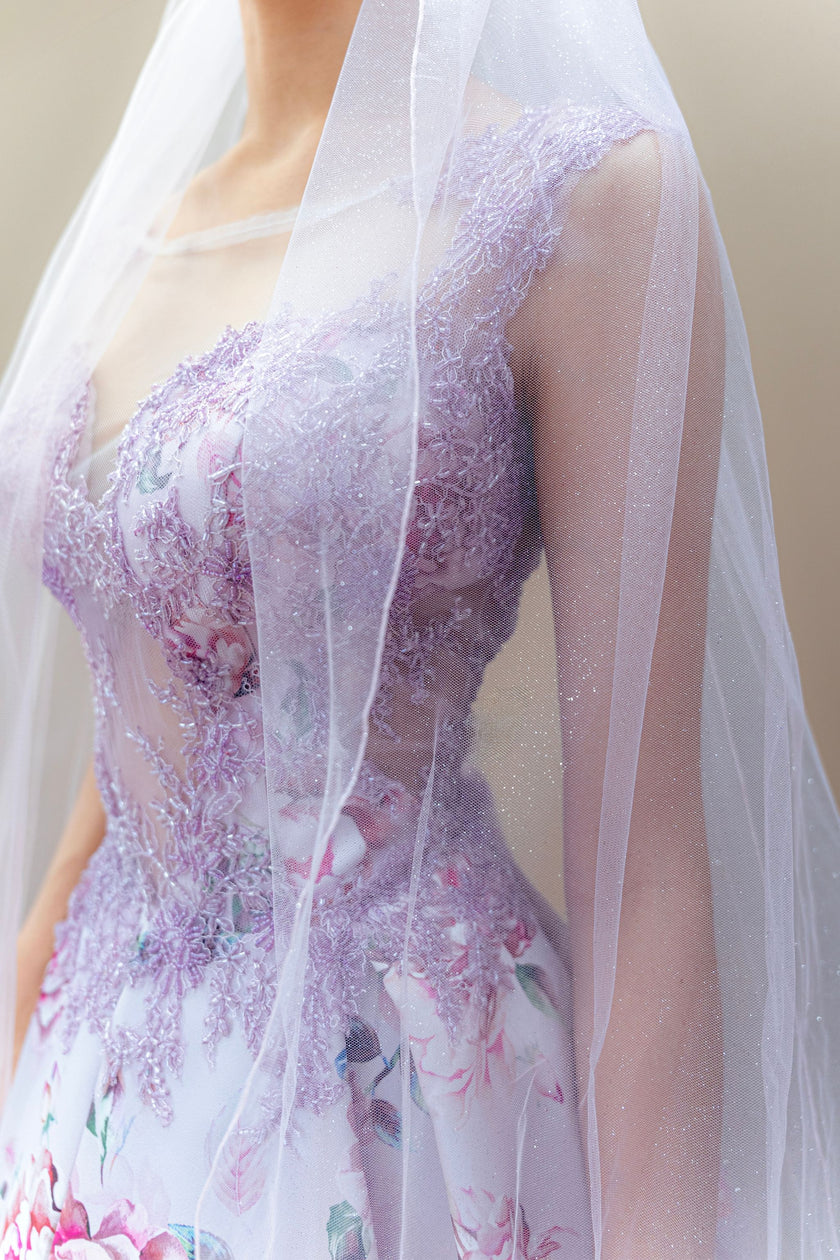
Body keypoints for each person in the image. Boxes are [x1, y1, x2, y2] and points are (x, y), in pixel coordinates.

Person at [0, 0, 837, 1256]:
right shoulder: (135, 240)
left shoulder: (583, 203)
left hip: (398, 1103)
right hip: (87, 1113)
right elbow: (131, 742)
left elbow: (649, 867)